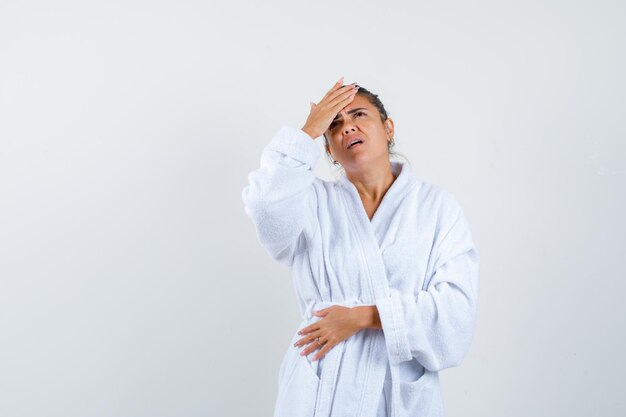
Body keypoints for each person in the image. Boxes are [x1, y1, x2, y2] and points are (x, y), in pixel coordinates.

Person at [241, 77, 480, 417]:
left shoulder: (437, 208)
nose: (347, 127)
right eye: (334, 123)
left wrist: (364, 317)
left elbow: (456, 317)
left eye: (358, 115)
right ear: (328, 149)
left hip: (397, 396)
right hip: (321, 393)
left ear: (388, 128)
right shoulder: (311, 202)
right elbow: (266, 208)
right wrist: (308, 130)